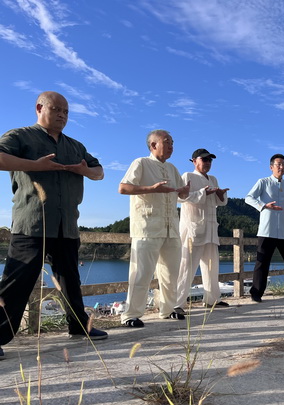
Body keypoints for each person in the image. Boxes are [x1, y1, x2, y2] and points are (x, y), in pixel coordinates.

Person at [0, 91, 107, 360]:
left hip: (67, 224)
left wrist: (84, 170)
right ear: (39, 108)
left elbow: (99, 172)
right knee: (17, 282)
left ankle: (80, 326)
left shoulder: (76, 146)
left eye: (66, 111)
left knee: (70, 279)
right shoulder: (20, 136)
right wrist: (34, 165)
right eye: (56, 109)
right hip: (32, 223)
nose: (62, 115)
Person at [118, 130, 190, 327]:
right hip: (147, 227)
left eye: (172, 143)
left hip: (171, 227)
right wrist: (151, 189)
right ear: (153, 145)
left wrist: (184, 192)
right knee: (141, 273)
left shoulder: (173, 169)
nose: (171, 146)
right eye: (167, 142)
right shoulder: (141, 163)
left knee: (171, 273)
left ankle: (168, 309)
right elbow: (123, 188)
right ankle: (130, 315)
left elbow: (181, 196)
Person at [245, 154, 284, 303]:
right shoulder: (263, 182)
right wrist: (264, 205)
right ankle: (256, 293)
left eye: (283, 164)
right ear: (271, 167)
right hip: (267, 230)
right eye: (278, 164)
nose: (281, 167)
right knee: (262, 263)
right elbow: (249, 198)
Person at [175, 149, 229, 311]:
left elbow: (220, 202)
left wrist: (220, 194)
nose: (207, 162)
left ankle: (212, 299)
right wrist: (202, 193)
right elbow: (179, 197)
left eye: (210, 160)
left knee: (212, 266)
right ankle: (177, 303)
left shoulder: (213, 179)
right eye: (204, 159)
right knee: (187, 266)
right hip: (193, 228)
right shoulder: (187, 176)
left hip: (211, 228)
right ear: (194, 161)